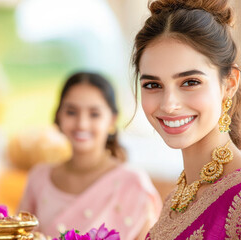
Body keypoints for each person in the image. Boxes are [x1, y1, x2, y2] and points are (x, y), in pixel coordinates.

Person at [131, 0, 241, 239]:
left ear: (229, 83)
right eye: (153, 85)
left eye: (190, 82)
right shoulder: (178, 197)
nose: (169, 104)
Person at [19, 72, 162, 239]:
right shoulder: (39, 177)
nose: (82, 123)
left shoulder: (133, 184)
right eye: (71, 112)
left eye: (94, 114)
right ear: (59, 115)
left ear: (111, 121)